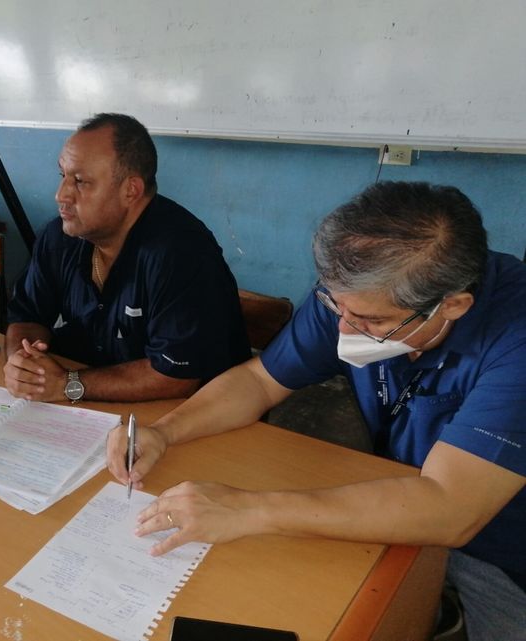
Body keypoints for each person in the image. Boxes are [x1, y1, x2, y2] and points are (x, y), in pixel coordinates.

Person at [107, 181, 526, 641]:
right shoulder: (356, 295)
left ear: (453, 306)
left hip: (502, 545)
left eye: (372, 322)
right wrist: (165, 431)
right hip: (401, 503)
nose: (343, 327)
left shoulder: (515, 339)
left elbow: (451, 508)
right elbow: (258, 381)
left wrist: (250, 509)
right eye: (336, 305)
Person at [4, 113, 250, 403]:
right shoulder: (61, 235)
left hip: (190, 414)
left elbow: (174, 377)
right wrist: (22, 366)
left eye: (81, 181)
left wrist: (67, 384)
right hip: (96, 404)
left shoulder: (181, 253)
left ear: (130, 191)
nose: (61, 195)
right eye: (63, 176)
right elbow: (27, 317)